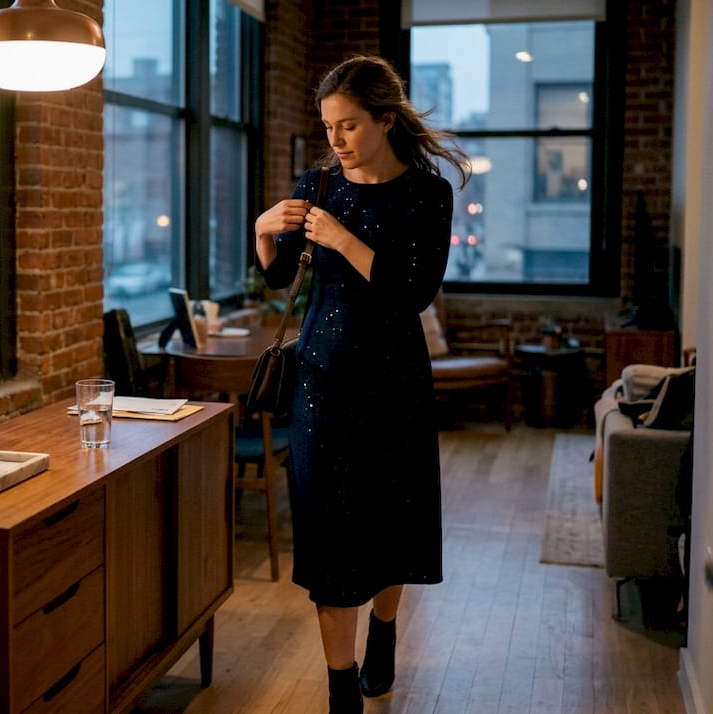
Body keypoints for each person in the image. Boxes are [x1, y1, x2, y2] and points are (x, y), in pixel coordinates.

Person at [254, 55, 469, 713]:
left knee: (391, 523)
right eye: (328, 127)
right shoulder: (318, 184)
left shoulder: (428, 194)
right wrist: (265, 231)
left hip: (395, 382)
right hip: (321, 380)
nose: (336, 140)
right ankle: (340, 690)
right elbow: (277, 275)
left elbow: (414, 291)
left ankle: (383, 630)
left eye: (348, 125)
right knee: (328, 536)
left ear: (384, 119)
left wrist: (343, 240)